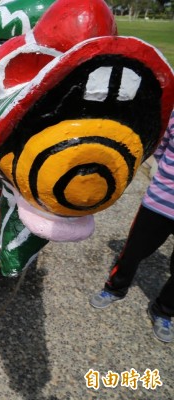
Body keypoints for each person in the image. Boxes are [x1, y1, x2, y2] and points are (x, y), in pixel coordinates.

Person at [89, 109, 174, 344]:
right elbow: (161, 146)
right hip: (160, 201)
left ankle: (164, 311)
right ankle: (115, 288)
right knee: (133, 251)